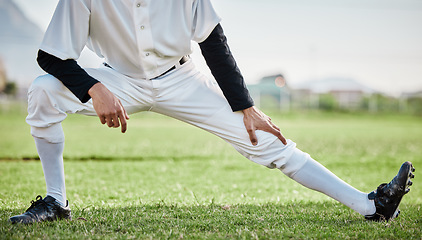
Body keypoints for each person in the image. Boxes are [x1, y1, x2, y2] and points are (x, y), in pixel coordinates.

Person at [9, 0, 414, 224]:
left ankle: (371, 205)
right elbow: (51, 55)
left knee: (266, 141)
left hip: (184, 78)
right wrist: (95, 88)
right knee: (43, 92)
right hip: (120, 80)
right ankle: (56, 202)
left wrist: (247, 107)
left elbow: (213, 43)